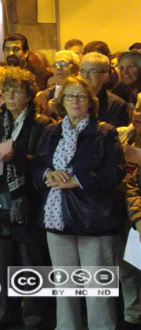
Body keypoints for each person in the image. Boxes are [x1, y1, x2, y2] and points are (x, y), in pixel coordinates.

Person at [33, 76, 125, 330]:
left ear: (90, 103)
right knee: (65, 287)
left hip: (94, 220)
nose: (75, 101)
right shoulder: (51, 131)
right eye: (70, 96)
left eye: (81, 96)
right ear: (62, 101)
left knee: (98, 289)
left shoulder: (105, 132)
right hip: (57, 217)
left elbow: (116, 171)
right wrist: (46, 175)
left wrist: (78, 180)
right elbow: (37, 165)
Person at [0, 67, 52, 330]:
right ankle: (2, 315)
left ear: (29, 95)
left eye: (16, 90)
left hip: (28, 201)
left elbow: (45, 162)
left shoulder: (43, 123)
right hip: (0, 199)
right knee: (0, 262)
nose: (9, 95)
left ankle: (33, 317)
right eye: (5, 89)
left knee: (30, 260)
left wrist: (15, 157)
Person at [117, 94, 141, 330]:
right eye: (138, 107)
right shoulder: (122, 134)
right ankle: (132, 317)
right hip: (125, 212)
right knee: (129, 268)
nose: (138, 113)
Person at [80, 52, 131, 128]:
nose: (85, 76)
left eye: (92, 72)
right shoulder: (74, 100)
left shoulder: (117, 105)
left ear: (104, 77)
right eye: (83, 71)